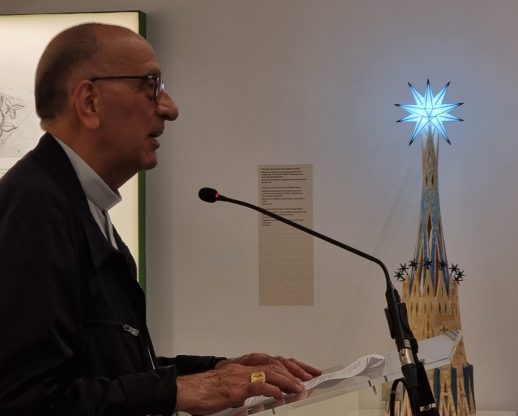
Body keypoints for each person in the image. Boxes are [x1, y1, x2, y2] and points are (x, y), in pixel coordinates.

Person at [0, 22, 321, 415]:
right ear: (89, 102)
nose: (170, 108)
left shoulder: (75, 203)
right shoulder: (34, 208)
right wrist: (176, 391)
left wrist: (218, 371)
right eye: (151, 85)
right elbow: (26, 401)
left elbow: (110, 369)